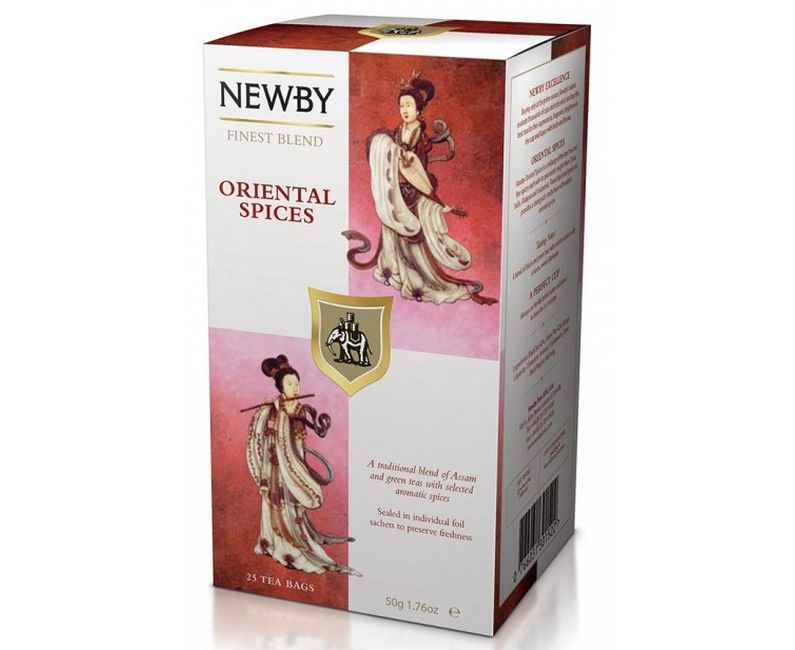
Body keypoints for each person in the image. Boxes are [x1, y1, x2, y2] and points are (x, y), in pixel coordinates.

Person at [343, 69, 497, 306]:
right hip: (395, 190)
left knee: (412, 238)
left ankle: (421, 281)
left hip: (413, 191)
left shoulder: (420, 137)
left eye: (408, 105)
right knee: (394, 235)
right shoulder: (397, 132)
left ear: (418, 109)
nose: (404, 110)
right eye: (401, 106)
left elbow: (415, 168)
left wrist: (434, 198)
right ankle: (396, 272)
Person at [246, 354, 361, 576]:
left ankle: (296, 541)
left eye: (297, 383)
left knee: (293, 506)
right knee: (275, 503)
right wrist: (270, 412)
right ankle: (273, 542)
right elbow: (263, 437)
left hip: (292, 465)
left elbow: (299, 440)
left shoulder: (299, 409)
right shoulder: (270, 408)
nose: (295, 387)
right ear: (281, 387)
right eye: (290, 383)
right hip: (274, 468)